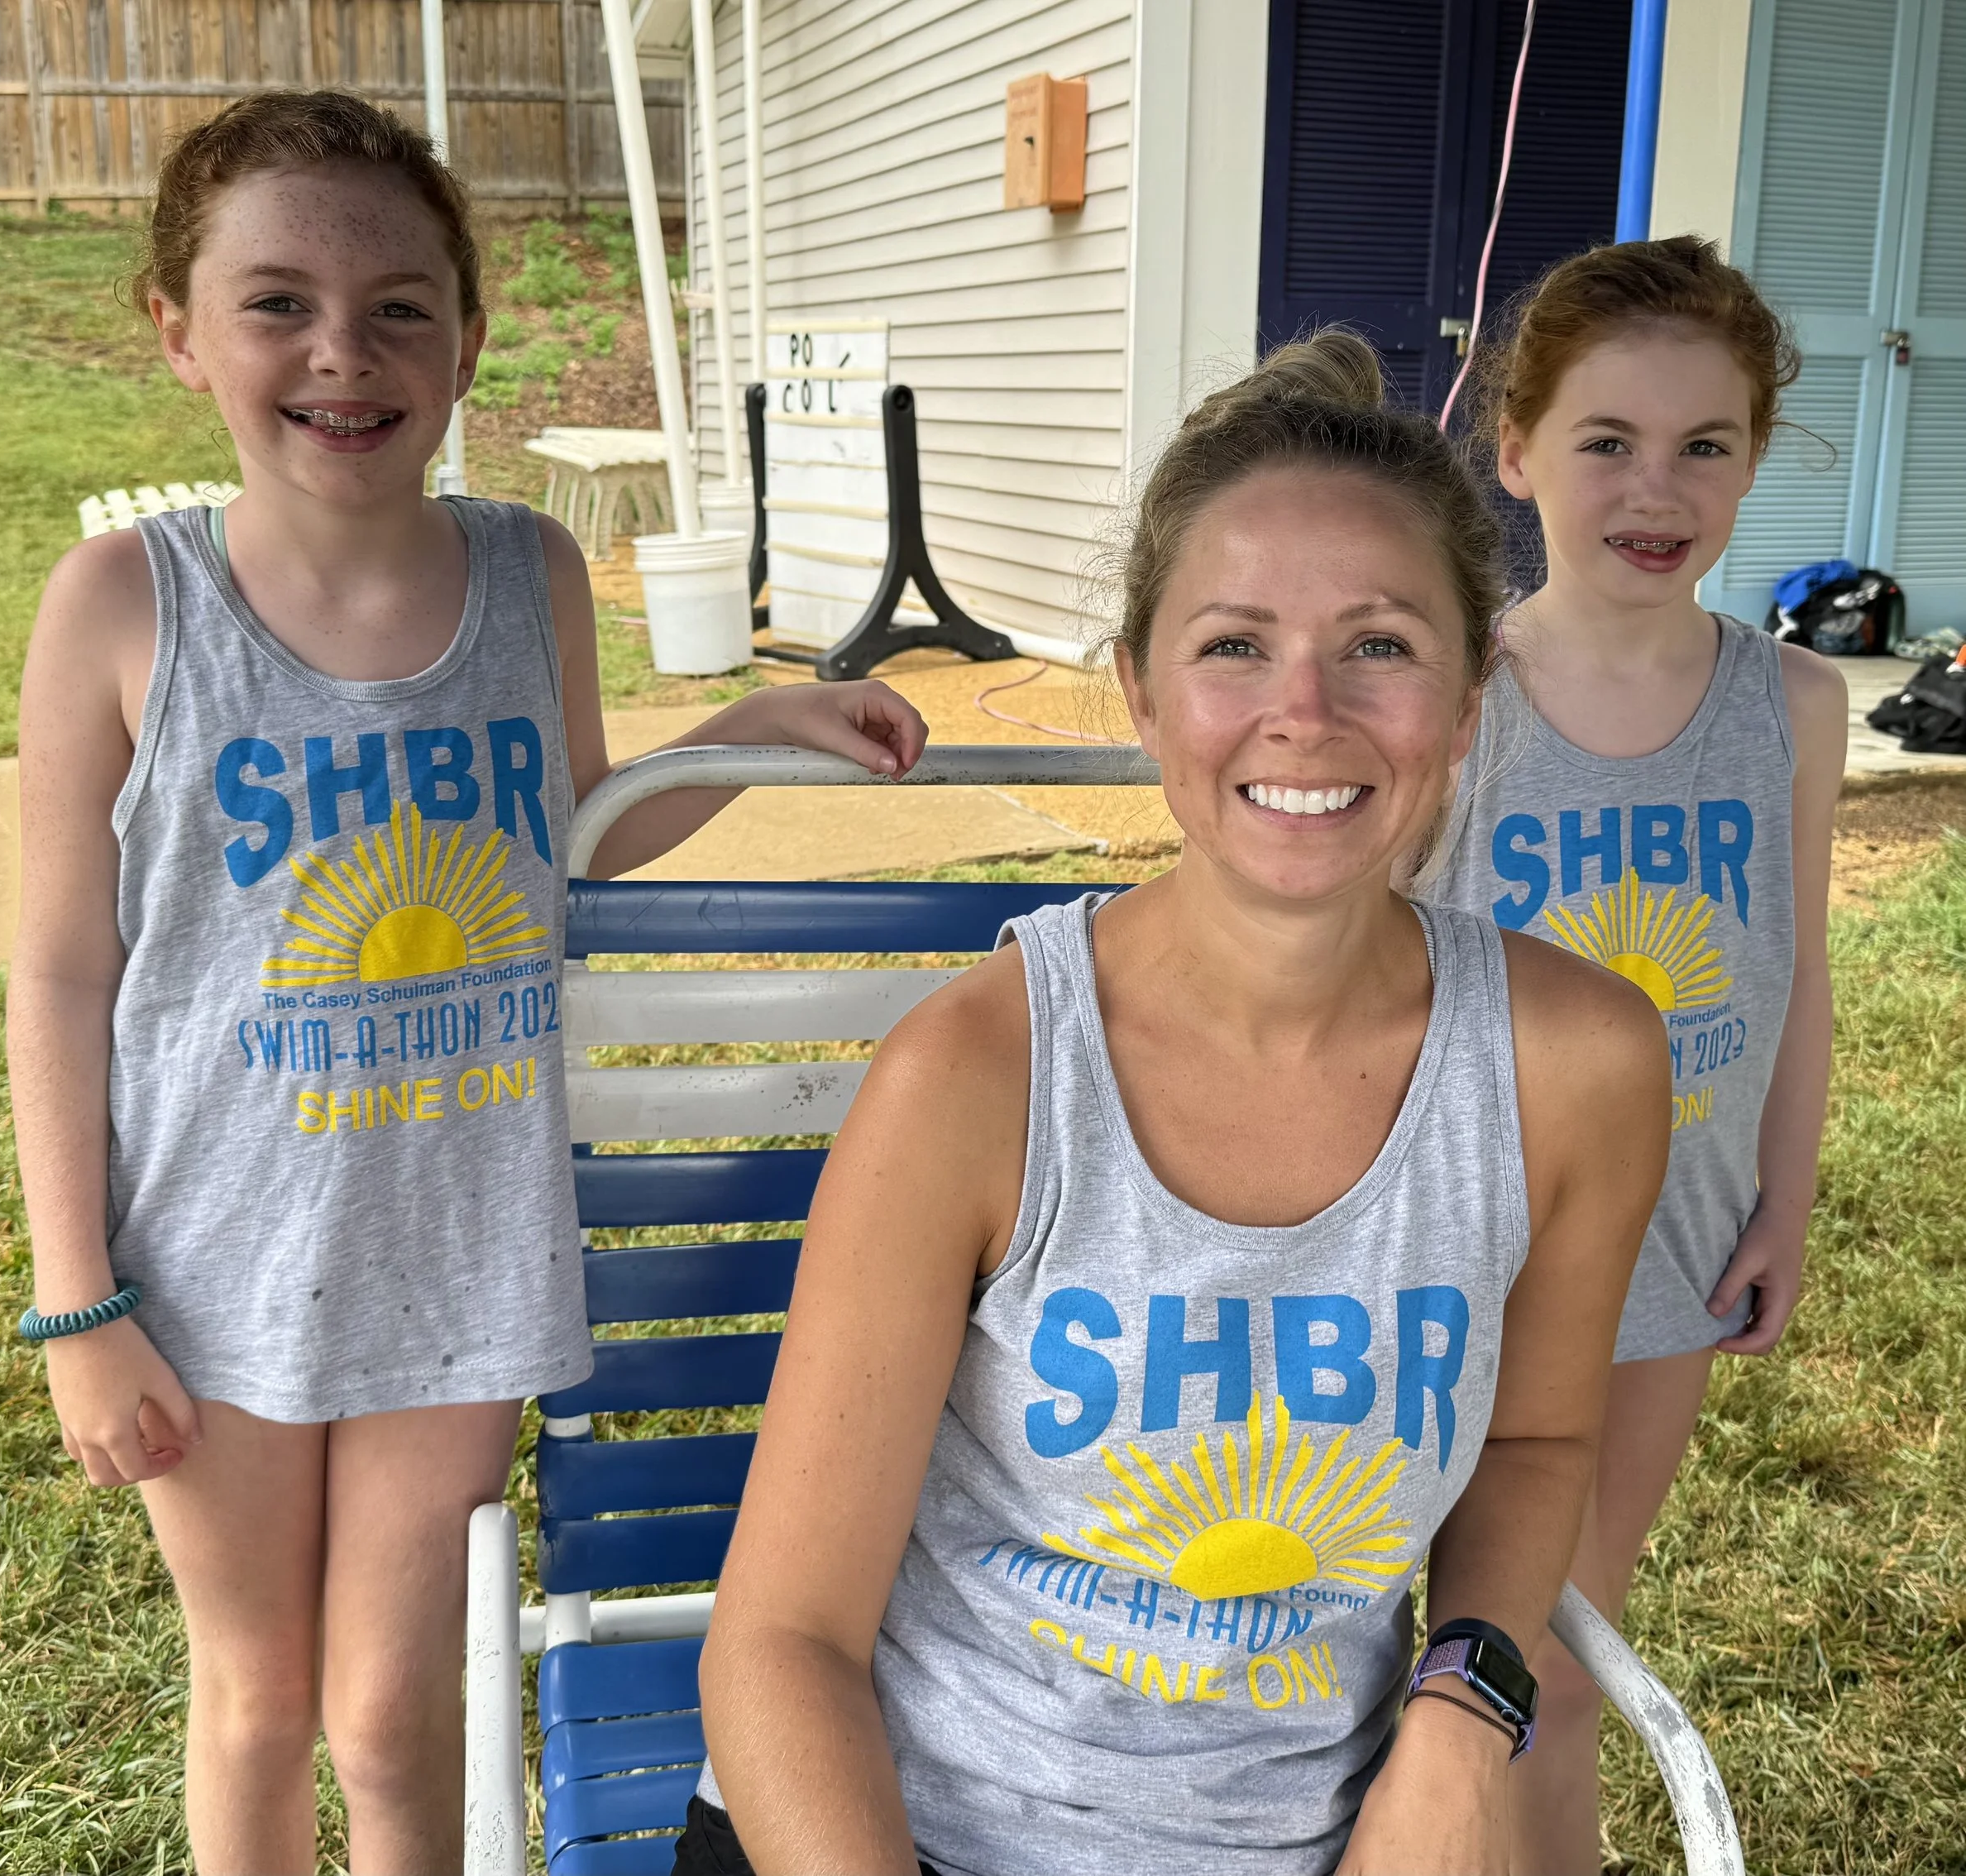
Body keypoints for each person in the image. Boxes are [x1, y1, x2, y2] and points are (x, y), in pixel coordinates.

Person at [5, 89, 926, 1874]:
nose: (341, 353)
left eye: (398, 306)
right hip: (210, 1264)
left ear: (465, 336)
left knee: (394, 1712)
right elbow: (56, 970)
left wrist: (746, 729)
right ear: (178, 330)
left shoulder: (529, 570)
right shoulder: (120, 603)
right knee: (263, 1706)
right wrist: (76, 1301)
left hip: (460, 1238)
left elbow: (573, 834)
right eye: (276, 301)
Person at [686, 331, 1672, 1876]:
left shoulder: (1577, 1066)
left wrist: (1460, 1719)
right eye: (1233, 647)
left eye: (1382, 646)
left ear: (1473, 699)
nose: (1306, 712)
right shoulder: (979, 1078)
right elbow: (784, 1642)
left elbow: (1541, 1442)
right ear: (1142, 693)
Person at [1427, 237, 1848, 1873]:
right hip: (1467, 1250)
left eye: (1703, 445)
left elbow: (1793, 970)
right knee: (1485, 1651)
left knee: (1558, 1642)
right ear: (1517, 449)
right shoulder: (1460, 692)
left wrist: (1783, 1197)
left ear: (1753, 457)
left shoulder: (1789, 705)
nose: (1650, 488)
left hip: (1667, 1250)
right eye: (1604, 441)